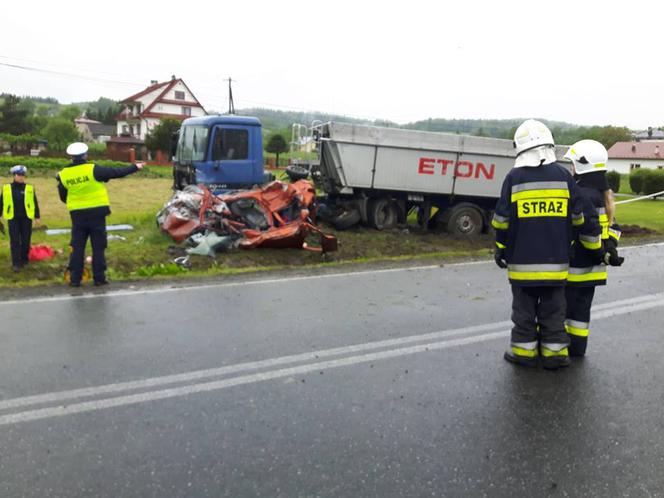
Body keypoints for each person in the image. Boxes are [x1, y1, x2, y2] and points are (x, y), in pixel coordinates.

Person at [492, 120, 602, 370]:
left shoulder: (514, 177)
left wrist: (500, 247)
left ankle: (524, 352)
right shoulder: (564, 176)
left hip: (521, 266)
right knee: (554, 311)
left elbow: (502, 221)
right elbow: (580, 217)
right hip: (557, 265)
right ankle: (555, 355)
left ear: (520, 149)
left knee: (523, 312)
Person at [563, 140, 624, 356]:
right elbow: (613, 228)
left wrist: (600, 251)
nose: (571, 168)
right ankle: (578, 349)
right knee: (580, 315)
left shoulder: (581, 194)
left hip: (574, 269)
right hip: (593, 272)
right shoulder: (603, 194)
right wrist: (609, 250)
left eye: (572, 164)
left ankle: (556, 350)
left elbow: (587, 235)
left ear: (581, 165)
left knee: (560, 312)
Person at [57, 142, 143, 287]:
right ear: (85, 155)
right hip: (97, 214)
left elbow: (63, 196)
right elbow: (115, 172)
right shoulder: (93, 169)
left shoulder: (63, 174)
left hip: (77, 215)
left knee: (77, 247)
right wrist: (135, 167)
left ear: (71, 157)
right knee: (98, 247)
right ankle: (99, 278)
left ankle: (75, 279)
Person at [0, 165, 41, 272]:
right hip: (13, 218)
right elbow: (1, 202)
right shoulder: (6, 188)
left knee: (26, 240)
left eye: (23, 175)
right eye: (19, 175)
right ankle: (16, 263)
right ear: (14, 175)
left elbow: (35, 202)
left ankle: (24, 260)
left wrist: (37, 216)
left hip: (26, 218)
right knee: (15, 241)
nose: (21, 177)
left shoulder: (29, 188)